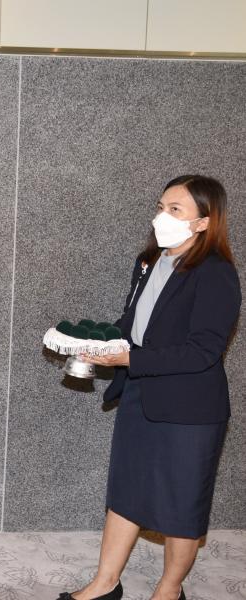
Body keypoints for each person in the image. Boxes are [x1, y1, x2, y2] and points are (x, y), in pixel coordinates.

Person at [63, 175, 241, 600]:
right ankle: (105, 584)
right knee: (125, 492)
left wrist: (130, 359)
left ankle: (169, 589)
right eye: (161, 206)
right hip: (139, 395)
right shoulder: (149, 262)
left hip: (189, 409)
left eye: (175, 209)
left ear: (203, 221)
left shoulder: (215, 273)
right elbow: (132, 325)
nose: (162, 216)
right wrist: (97, 343)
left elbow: (203, 351)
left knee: (182, 505)